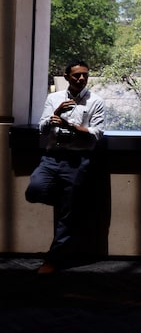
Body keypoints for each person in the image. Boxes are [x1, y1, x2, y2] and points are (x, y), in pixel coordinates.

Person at [25, 59, 105, 275]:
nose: (81, 78)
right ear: (67, 77)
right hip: (51, 158)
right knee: (34, 191)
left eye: (85, 75)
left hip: (77, 162)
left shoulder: (95, 101)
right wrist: (56, 115)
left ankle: (52, 259)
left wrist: (71, 126)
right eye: (77, 75)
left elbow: (97, 133)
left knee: (67, 216)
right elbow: (42, 129)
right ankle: (69, 201)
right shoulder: (54, 98)